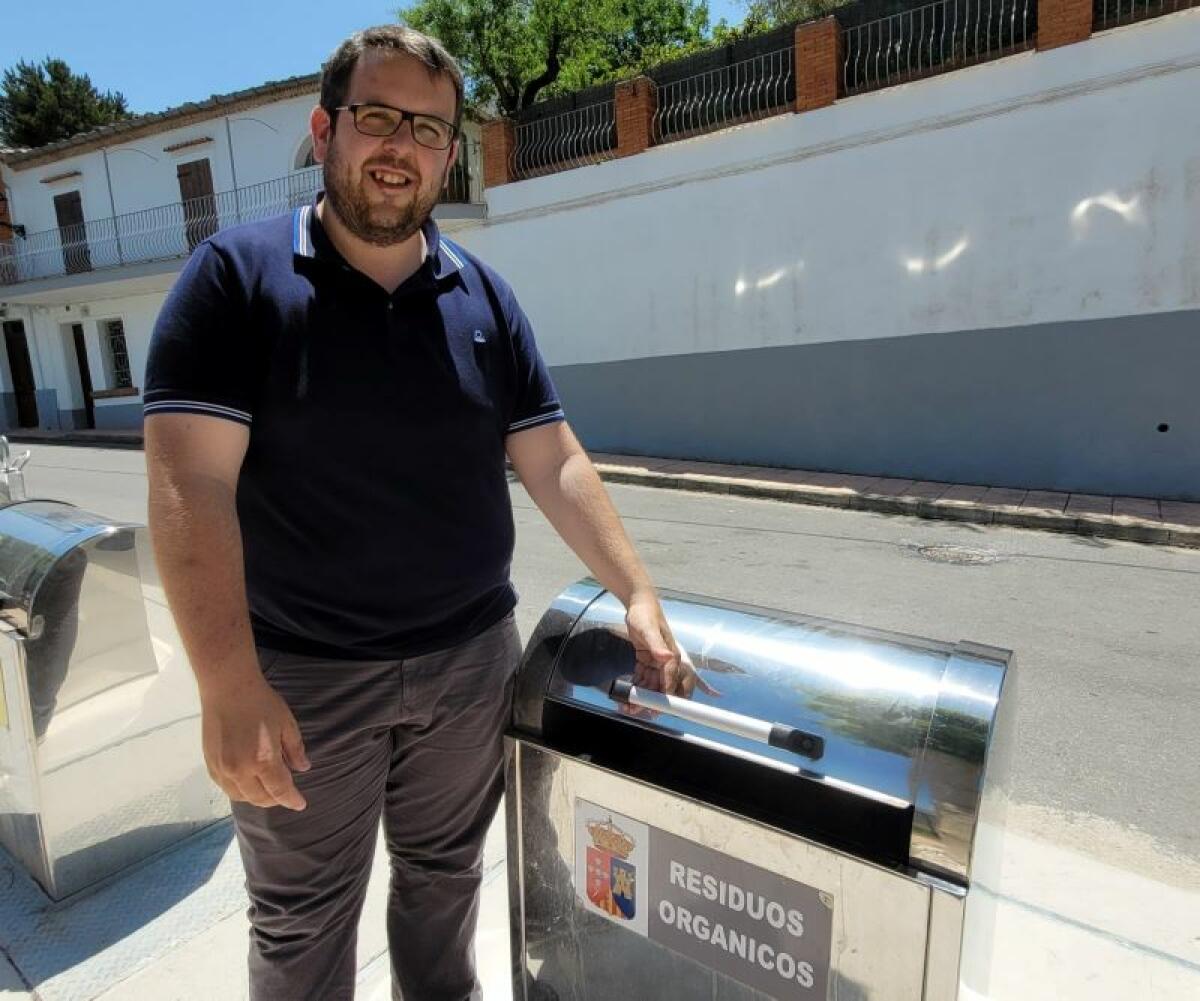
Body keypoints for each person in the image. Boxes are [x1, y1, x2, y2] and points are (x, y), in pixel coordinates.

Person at [143, 24, 688, 1001]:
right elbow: (192, 486)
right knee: (302, 922)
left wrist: (636, 588)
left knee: (445, 890)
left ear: (449, 153)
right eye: (379, 117)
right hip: (303, 679)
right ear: (325, 129)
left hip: (468, 667)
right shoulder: (233, 279)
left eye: (428, 129)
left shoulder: (485, 297)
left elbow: (552, 456)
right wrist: (226, 681)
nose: (402, 146)